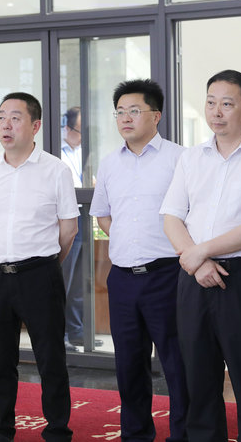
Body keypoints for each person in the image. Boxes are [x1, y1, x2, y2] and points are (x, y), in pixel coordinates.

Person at [161, 69, 241, 442]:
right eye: (211, 102)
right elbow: (171, 217)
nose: (216, 112)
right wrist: (198, 262)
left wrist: (200, 252)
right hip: (194, 279)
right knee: (198, 379)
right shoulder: (191, 158)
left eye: (227, 104)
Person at [0, 92, 78, 442]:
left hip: (39, 276)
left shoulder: (56, 170)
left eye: (15, 117)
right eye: (1, 116)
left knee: (50, 359)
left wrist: (43, 263)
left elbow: (69, 229)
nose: (6, 124)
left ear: (35, 126)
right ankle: (0, 430)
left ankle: (58, 431)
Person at [89, 79, 188, 442]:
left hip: (168, 275)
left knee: (177, 363)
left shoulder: (180, 158)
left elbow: (192, 214)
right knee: (129, 364)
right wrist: (127, 239)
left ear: (156, 116)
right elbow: (102, 214)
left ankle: (183, 434)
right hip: (123, 278)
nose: (125, 118)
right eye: (119, 112)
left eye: (134, 111)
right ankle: (135, 434)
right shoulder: (110, 163)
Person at [59, 106, 87, 351]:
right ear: (67, 129)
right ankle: (62, 335)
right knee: (64, 280)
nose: (83, 136)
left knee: (79, 280)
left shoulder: (85, 152)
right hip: (66, 218)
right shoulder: (57, 153)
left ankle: (78, 332)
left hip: (84, 215)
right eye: (79, 131)